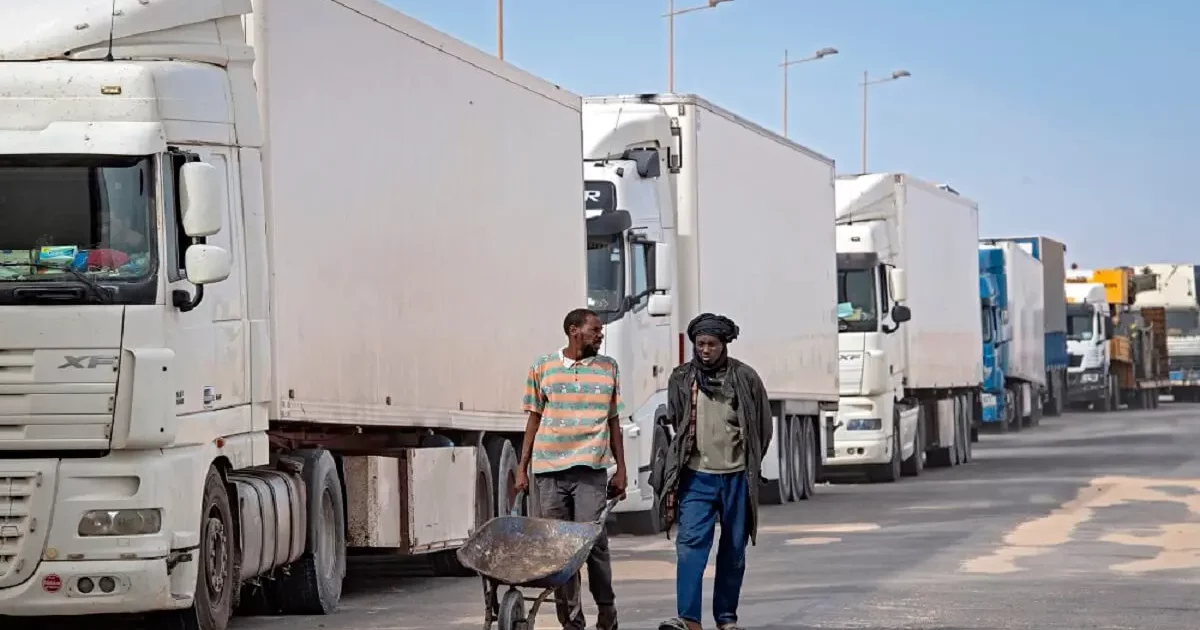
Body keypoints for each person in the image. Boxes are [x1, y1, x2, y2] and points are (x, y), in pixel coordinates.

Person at [651, 313, 773, 630]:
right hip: (695, 478)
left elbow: (763, 427)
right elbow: (677, 422)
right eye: (700, 344)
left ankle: (726, 618)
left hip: (736, 478)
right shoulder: (681, 378)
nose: (705, 350)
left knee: (733, 550)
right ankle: (689, 619)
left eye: (712, 344)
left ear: (724, 345)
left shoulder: (745, 378)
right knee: (690, 548)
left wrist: (750, 462)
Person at [514, 307, 627, 630]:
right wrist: (522, 468)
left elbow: (614, 421)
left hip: (590, 469)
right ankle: (572, 621)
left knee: (593, 544)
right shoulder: (543, 367)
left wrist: (621, 468)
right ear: (574, 330)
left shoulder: (608, 368)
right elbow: (533, 419)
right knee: (559, 550)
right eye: (595, 329)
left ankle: (606, 608)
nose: (600, 334)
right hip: (549, 470)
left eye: (601, 330)